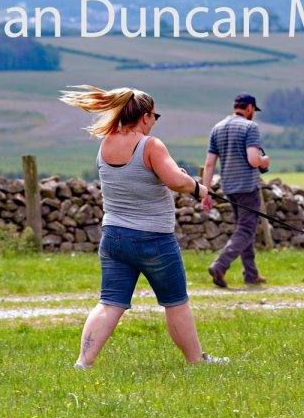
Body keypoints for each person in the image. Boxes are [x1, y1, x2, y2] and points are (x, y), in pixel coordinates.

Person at [60, 85, 228, 367]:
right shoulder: (150, 144)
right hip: (153, 238)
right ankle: (196, 361)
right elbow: (175, 180)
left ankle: (83, 362)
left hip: (113, 236)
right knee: (175, 302)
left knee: (110, 303)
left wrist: (175, 176)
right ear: (146, 116)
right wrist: (198, 188)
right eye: (155, 117)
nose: (154, 122)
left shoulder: (106, 143)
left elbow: (147, 177)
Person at [201, 93, 270, 288]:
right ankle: (220, 265)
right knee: (247, 229)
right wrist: (265, 161)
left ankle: (251, 273)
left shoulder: (217, 128)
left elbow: (209, 164)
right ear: (249, 108)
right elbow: (253, 160)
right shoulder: (250, 127)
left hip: (229, 187)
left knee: (243, 228)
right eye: (253, 111)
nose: (253, 114)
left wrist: (205, 192)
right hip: (247, 186)